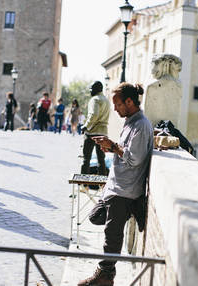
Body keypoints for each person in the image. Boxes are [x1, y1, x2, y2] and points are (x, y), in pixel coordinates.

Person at [77, 82, 153, 286]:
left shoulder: (141, 125)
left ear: (129, 102)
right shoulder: (130, 121)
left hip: (125, 190)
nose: (115, 108)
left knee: (112, 234)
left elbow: (135, 158)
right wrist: (111, 147)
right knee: (95, 216)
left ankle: (105, 275)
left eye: (118, 104)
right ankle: (129, 211)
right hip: (115, 185)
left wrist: (113, 146)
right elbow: (125, 151)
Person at [80, 81, 110, 176]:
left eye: (91, 89)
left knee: (86, 159)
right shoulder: (106, 100)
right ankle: (102, 183)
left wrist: (86, 126)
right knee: (101, 159)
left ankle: (84, 184)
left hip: (92, 132)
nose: (90, 91)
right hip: (103, 132)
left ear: (95, 89)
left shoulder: (95, 99)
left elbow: (94, 115)